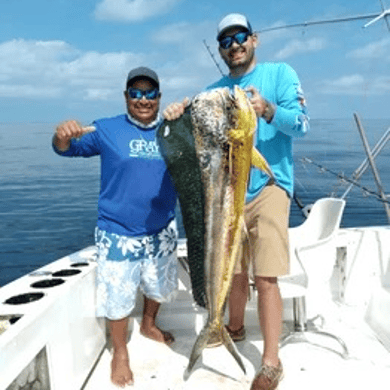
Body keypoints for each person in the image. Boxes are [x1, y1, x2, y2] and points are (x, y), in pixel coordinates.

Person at [164, 13, 309, 390]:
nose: (234, 46)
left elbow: (303, 125)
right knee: (235, 271)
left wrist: (268, 110)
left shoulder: (279, 75)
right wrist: (176, 115)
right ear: (220, 50)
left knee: (265, 275)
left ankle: (272, 363)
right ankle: (233, 327)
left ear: (254, 39)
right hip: (227, 193)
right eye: (225, 42)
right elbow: (195, 141)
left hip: (268, 186)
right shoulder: (212, 91)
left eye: (240, 37)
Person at [53, 66, 178, 387]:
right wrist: (61, 135)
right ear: (126, 97)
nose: (143, 99)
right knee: (117, 297)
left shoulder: (173, 130)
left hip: (162, 230)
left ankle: (149, 324)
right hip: (117, 232)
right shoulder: (106, 128)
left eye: (150, 93)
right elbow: (67, 148)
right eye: (136, 92)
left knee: (159, 287)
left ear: (159, 97)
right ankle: (120, 351)